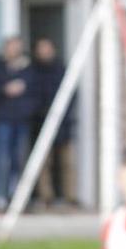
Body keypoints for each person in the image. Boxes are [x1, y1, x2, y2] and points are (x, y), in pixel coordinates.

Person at [0, 36, 34, 208]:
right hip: (2, 119)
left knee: (16, 160)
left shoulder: (28, 69)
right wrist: (5, 90)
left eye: (17, 47)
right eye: (11, 46)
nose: (14, 50)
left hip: (20, 120)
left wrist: (27, 111)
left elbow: (35, 94)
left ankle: (11, 197)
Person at [27, 37, 76, 209]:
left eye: (47, 48)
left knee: (66, 162)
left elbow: (71, 96)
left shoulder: (62, 70)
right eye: (41, 49)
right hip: (41, 123)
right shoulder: (33, 72)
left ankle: (70, 198)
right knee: (43, 163)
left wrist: (64, 116)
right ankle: (46, 197)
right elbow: (31, 97)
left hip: (63, 124)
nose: (44, 52)